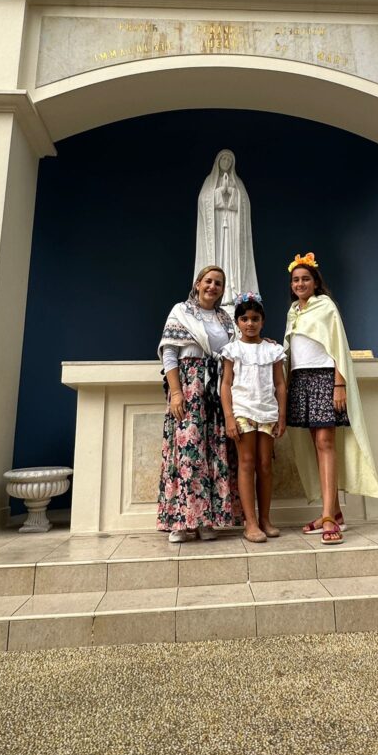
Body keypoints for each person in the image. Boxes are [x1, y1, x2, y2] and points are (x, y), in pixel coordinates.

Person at [284, 252, 378, 545]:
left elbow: (338, 344)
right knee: (316, 445)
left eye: (305, 279)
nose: (300, 284)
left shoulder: (325, 306)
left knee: (326, 443)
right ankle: (334, 512)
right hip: (301, 380)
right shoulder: (293, 312)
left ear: (315, 282)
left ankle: (328, 515)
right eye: (295, 280)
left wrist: (339, 383)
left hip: (325, 378)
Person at [156, 265, 243, 543]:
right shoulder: (181, 311)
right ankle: (181, 523)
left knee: (214, 451)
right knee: (188, 452)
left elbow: (236, 350)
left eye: (218, 283)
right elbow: (169, 353)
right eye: (208, 281)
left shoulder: (225, 318)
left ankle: (206, 520)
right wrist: (176, 392)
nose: (212, 287)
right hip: (189, 386)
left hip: (216, 390)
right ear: (197, 284)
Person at [220, 293, 287, 543]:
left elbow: (280, 384)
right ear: (237, 322)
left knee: (265, 465)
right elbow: (226, 385)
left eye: (255, 319)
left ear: (263, 321)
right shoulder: (232, 350)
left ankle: (265, 518)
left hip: (267, 412)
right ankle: (250, 522)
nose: (250, 323)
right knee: (246, 462)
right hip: (243, 411)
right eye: (245, 319)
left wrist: (282, 416)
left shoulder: (273, 350)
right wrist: (229, 417)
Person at [194, 149, 259, 307]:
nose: (226, 162)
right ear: (218, 161)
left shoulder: (238, 183)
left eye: (229, 160)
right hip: (216, 227)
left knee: (231, 259)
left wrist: (231, 192)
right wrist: (219, 192)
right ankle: (217, 294)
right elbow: (203, 201)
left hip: (233, 227)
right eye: (223, 159)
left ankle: (233, 291)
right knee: (218, 257)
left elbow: (245, 205)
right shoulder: (210, 182)